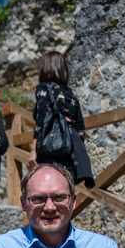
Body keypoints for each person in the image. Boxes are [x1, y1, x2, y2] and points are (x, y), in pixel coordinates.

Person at [32, 51, 93, 187]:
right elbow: (80, 127)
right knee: (66, 190)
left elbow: (42, 116)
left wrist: (33, 150)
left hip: (53, 145)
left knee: (51, 188)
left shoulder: (43, 88)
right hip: (73, 147)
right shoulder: (71, 93)